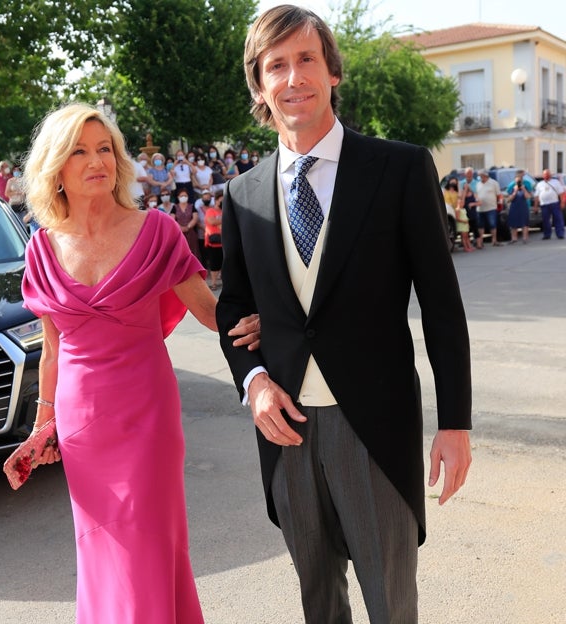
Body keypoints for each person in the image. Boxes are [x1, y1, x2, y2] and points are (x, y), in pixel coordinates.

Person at [216, 6, 472, 623]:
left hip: (374, 430)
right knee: (319, 604)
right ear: (259, 85)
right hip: (285, 434)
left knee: (391, 603)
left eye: (306, 58)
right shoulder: (242, 193)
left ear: (332, 71)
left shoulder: (400, 169)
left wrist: (455, 422)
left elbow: (441, 306)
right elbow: (235, 308)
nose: (293, 77)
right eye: (276, 65)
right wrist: (252, 382)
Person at [18, 102, 259, 624]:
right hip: (84, 427)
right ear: (56, 166)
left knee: (148, 546)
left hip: (147, 416)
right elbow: (53, 347)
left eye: (104, 148)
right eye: (79, 151)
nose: (95, 160)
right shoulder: (41, 249)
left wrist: (268, 329)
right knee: (102, 554)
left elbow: (210, 314)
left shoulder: (156, 232)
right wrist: (43, 425)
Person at [533, 169, 565, 239]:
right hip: (544, 204)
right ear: (543, 175)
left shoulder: (556, 182)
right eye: (545, 174)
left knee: (558, 219)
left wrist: (562, 202)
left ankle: (560, 234)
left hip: (554, 203)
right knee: (545, 220)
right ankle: (547, 234)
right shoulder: (539, 184)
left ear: (550, 175)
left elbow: (561, 193)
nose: (546, 176)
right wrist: (535, 206)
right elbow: (536, 196)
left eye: (547, 174)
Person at [171, 187, 201, 260]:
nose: (183, 197)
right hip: (179, 233)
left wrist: (188, 226)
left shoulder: (192, 206)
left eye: (185, 196)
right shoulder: (174, 207)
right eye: (181, 196)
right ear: (178, 197)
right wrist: (180, 228)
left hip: (191, 232)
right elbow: (172, 219)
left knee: (193, 251)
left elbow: (195, 218)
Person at [475, 169, 502, 247]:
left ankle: (494, 240)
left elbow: (498, 195)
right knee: (480, 225)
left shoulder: (494, 183)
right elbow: (476, 194)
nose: (479, 177)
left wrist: (499, 204)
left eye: (480, 176)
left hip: (491, 207)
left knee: (492, 224)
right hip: (480, 208)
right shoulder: (478, 184)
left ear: (485, 175)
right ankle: (481, 241)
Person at [203, 189, 222, 289]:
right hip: (213, 242)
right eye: (221, 200)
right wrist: (224, 218)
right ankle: (214, 283)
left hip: (224, 241)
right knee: (215, 263)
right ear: (216, 200)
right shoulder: (210, 211)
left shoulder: (225, 211)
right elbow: (212, 221)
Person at [507, 174, 532, 243]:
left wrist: (523, 189)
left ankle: (525, 238)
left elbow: (528, 197)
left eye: (519, 181)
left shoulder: (525, 187)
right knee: (513, 223)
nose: (518, 183)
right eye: (517, 181)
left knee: (524, 223)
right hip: (514, 207)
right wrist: (515, 191)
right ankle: (514, 238)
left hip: (523, 207)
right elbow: (509, 199)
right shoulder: (512, 188)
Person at [457, 167, 479, 243]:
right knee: (465, 226)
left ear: (472, 174)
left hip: (473, 206)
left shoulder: (476, 183)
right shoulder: (461, 183)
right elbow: (460, 195)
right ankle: (466, 243)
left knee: (474, 224)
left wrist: (468, 188)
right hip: (464, 205)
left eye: (470, 173)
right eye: (467, 173)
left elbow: (476, 194)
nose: (469, 175)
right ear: (464, 174)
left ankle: (476, 241)